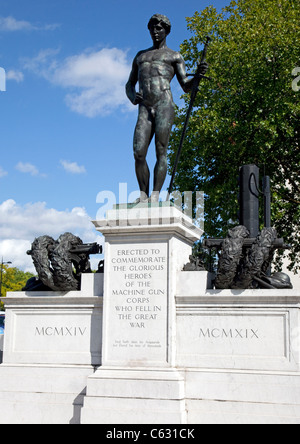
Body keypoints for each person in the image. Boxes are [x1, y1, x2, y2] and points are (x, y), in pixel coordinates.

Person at [126, 14, 208, 202]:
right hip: (144, 107)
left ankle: (155, 196)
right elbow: (129, 84)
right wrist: (133, 96)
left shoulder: (174, 56)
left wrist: (198, 76)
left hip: (164, 104)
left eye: (159, 28)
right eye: (152, 28)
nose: (155, 32)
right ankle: (143, 195)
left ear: (166, 31)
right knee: (138, 152)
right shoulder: (141, 56)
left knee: (160, 150)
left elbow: (186, 86)